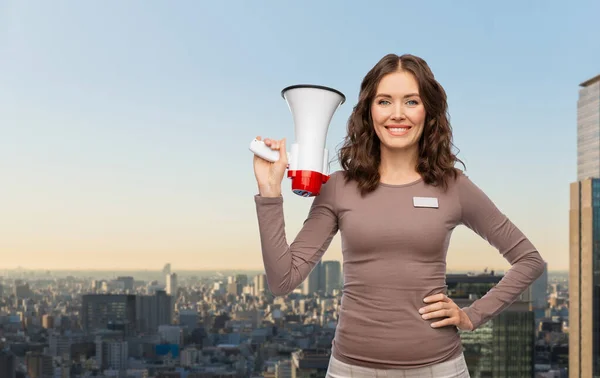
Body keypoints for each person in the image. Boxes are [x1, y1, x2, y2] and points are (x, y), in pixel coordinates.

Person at [252, 53, 546, 378]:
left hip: (440, 369)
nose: (397, 114)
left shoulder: (454, 187)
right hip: (350, 370)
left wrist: (472, 315)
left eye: (411, 101)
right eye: (384, 101)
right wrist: (270, 193)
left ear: (428, 111)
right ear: (369, 111)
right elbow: (282, 281)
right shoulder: (337, 187)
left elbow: (529, 260)